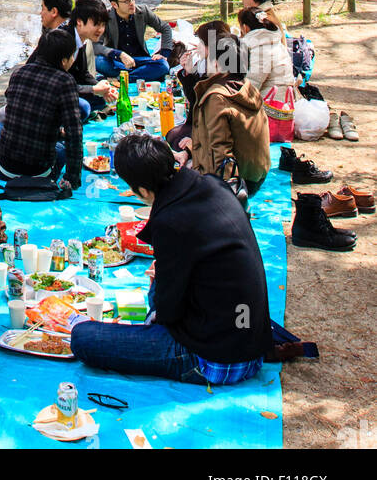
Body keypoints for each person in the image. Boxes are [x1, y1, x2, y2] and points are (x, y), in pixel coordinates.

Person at [71, 135, 272, 383]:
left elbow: (168, 310)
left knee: (83, 337)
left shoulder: (170, 221)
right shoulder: (211, 184)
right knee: (159, 285)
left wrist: (161, 291)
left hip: (215, 358)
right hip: (250, 338)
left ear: (143, 190)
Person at [0, 27, 83, 190]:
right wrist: (73, 177)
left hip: (6, 168)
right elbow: (75, 134)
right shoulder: (65, 81)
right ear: (64, 61)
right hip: (40, 172)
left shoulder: (18, 73)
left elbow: (18, 114)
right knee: (62, 149)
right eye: (71, 56)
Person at [181, 24, 270, 196]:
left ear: (216, 63)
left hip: (235, 183)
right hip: (256, 174)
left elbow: (220, 148)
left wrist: (222, 192)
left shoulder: (217, 97)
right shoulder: (247, 87)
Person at [94, 0, 173, 83]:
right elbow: (96, 46)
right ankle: (139, 75)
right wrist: (119, 54)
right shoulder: (106, 17)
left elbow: (165, 28)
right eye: (126, 1)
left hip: (141, 60)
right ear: (114, 5)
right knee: (98, 61)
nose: (131, 3)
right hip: (117, 62)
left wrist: (164, 53)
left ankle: (121, 79)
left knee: (163, 65)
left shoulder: (143, 11)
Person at [67, 0, 116, 112]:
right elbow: (58, 85)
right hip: (47, 92)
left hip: (67, 87)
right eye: (97, 24)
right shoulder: (64, 41)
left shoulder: (82, 40)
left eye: (103, 25)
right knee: (84, 107)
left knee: (100, 100)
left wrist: (102, 89)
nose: (101, 30)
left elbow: (83, 74)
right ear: (79, 21)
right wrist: (94, 89)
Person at [237, 8, 295, 97]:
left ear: (245, 28)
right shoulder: (274, 42)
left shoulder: (262, 50)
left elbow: (252, 84)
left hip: (271, 103)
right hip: (282, 97)